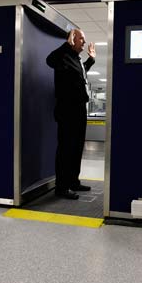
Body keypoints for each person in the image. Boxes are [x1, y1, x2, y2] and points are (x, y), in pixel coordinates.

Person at [46, 29, 96, 200]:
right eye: (81, 38)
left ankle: (73, 181)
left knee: (77, 147)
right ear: (72, 40)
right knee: (66, 149)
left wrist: (92, 60)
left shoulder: (77, 60)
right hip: (67, 110)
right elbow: (49, 60)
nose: (84, 41)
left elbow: (80, 75)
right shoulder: (62, 56)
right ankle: (62, 187)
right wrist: (65, 45)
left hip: (79, 109)